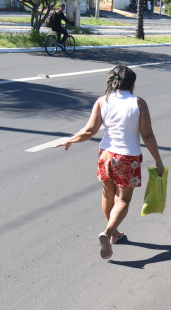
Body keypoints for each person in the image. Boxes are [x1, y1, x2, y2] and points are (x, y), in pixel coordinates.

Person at [54, 66, 165, 260]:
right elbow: (146, 135)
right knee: (123, 200)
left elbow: (90, 130)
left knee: (108, 193)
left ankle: (113, 234)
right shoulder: (138, 103)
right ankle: (109, 231)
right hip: (127, 158)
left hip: (106, 155)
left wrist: (71, 139)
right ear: (132, 83)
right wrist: (158, 160)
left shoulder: (102, 101)